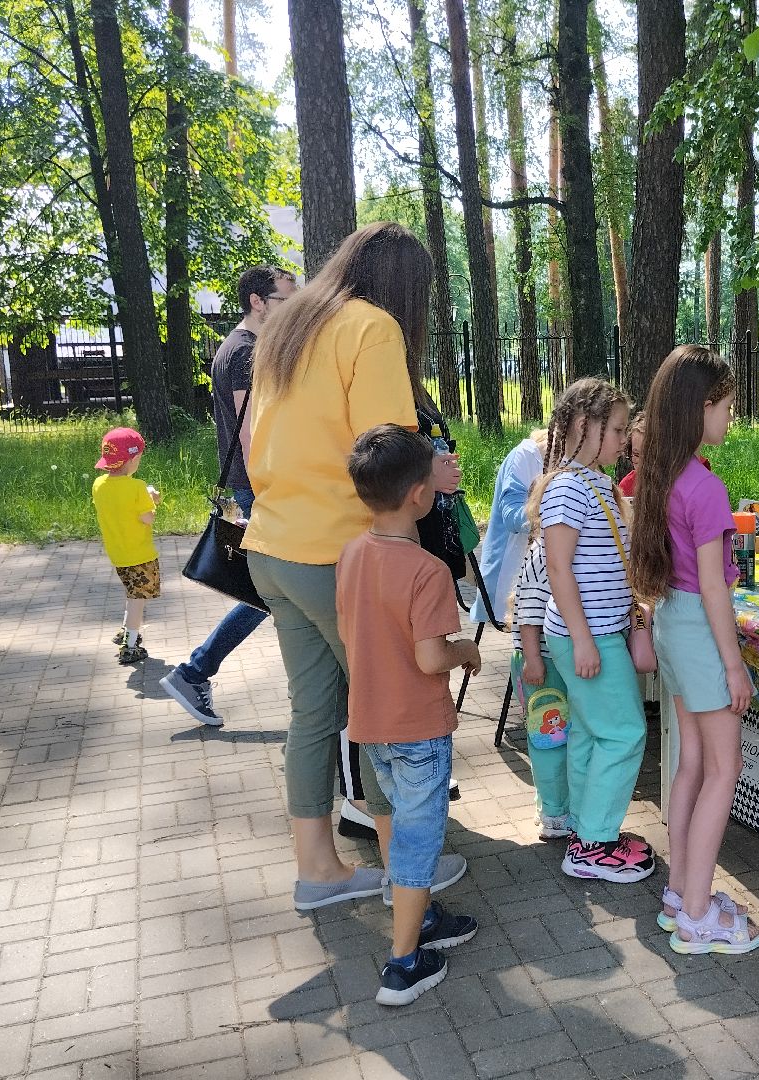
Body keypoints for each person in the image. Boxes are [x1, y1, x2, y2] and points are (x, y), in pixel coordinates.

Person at [241, 221, 464, 912]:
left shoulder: (292, 322)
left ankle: (320, 869)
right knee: (383, 710)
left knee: (313, 712)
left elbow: (253, 440)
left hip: (273, 545)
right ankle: (407, 872)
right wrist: (438, 474)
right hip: (339, 553)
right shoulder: (372, 328)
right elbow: (385, 447)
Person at [338, 425, 480, 1005]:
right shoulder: (428, 571)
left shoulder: (351, 553)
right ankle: (402, 965)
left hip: (370, 721)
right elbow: (429, 657)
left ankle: (416, 921)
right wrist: (464, 651)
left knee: (400, 823)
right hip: (419, 726)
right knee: (420, 840)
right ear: (422, 494)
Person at [628, 346, 759, 955]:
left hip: (672, 625)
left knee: (689, 766)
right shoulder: (704, 486)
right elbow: (715, 587)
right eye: (727, 408)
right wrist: (734, 665)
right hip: (700, 634)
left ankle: (682, 894)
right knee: (723, 769)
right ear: (702, 407)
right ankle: (699, 914)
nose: (730, 420)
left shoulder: (661, 477)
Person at [161, 265, 296, 726]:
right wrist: (270, 488)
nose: (291, 308)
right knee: (270, 590)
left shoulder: (236, 347)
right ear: (258, 301)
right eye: (284, 299)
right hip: (259, 483)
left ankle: (196, 671)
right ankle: (195, 671)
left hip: (253, 483)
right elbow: (250, 431)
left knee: (272, 589)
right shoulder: (245, 352)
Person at [538, 377, 655, 883]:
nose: (625, 439)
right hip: (588, 635)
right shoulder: (567, 487)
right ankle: (597, 842)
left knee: (590, 731)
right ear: (583, 426)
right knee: (625, 732)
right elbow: (559, 568)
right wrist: (584, 639)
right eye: (616, 429)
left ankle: (586, 828)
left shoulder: (596, 481)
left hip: (601, 630)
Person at [509, 536, 572, 841]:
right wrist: (533, 659)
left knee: (554, 737)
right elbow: (531, 611)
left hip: (548, 659)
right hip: (543, 663)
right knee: (551, 740)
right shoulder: (547, 548)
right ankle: (556, 814)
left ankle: (551, 804)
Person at [92, 427, 161, 665]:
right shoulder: (137, 488)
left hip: (118, 553)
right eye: (139, 457)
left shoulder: (99, 485)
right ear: (132, 459)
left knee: (132, 592)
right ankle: (129, 645)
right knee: (137, 599)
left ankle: (126, 630)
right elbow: (147, 518)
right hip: (139, 554)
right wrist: (152, 500)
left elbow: (119, 506)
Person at [471, 429, 548, 627]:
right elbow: (513, 518)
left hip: (537, 579)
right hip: (510, 580)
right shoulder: (526, 456)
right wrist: (554, 513)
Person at [619, 412, 712, 497]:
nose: (643, 463)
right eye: (636, 454)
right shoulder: (627, 487)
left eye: (649, 455)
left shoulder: (689, 475)